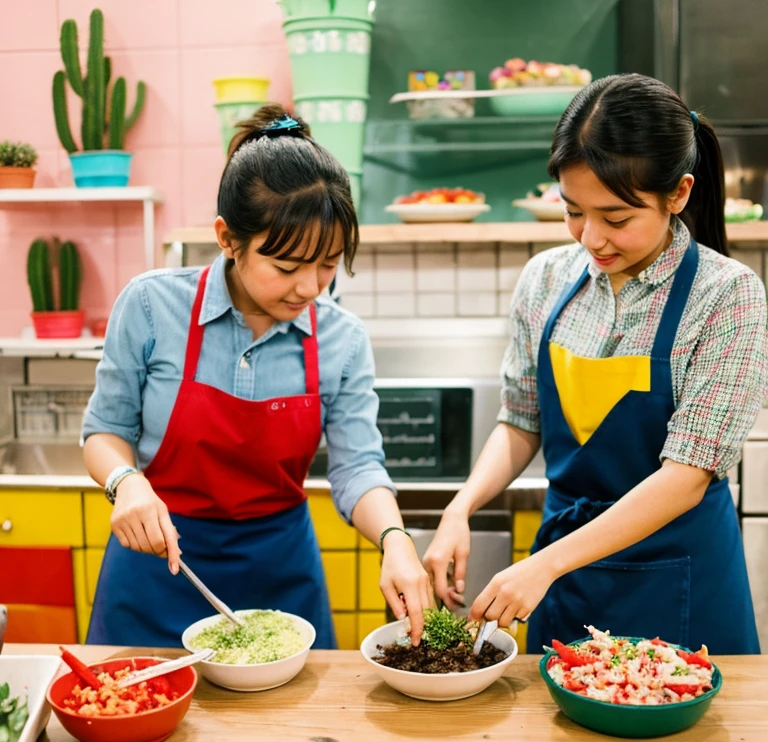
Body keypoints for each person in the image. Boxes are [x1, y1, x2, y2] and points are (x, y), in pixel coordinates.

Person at [424, 74, 767, 654]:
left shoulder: (727, 295)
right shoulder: (547, 279)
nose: (591, 238)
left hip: (678, 578)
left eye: (616, 217)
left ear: (678, 194)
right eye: (573, 211)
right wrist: (459, 508)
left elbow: (686, 478)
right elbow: (520, 419)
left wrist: (543, 566)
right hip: (565, 580)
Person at [83, 104, 431, 648]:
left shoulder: (341, 340)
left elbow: (358, 466)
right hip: (158, 565)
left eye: (329, 263)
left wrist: (395, 540)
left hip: (280, 576)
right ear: (227, 238)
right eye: (287, 267)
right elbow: (104, 431)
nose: (311, 287)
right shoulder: (152, 306)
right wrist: (125, 483)